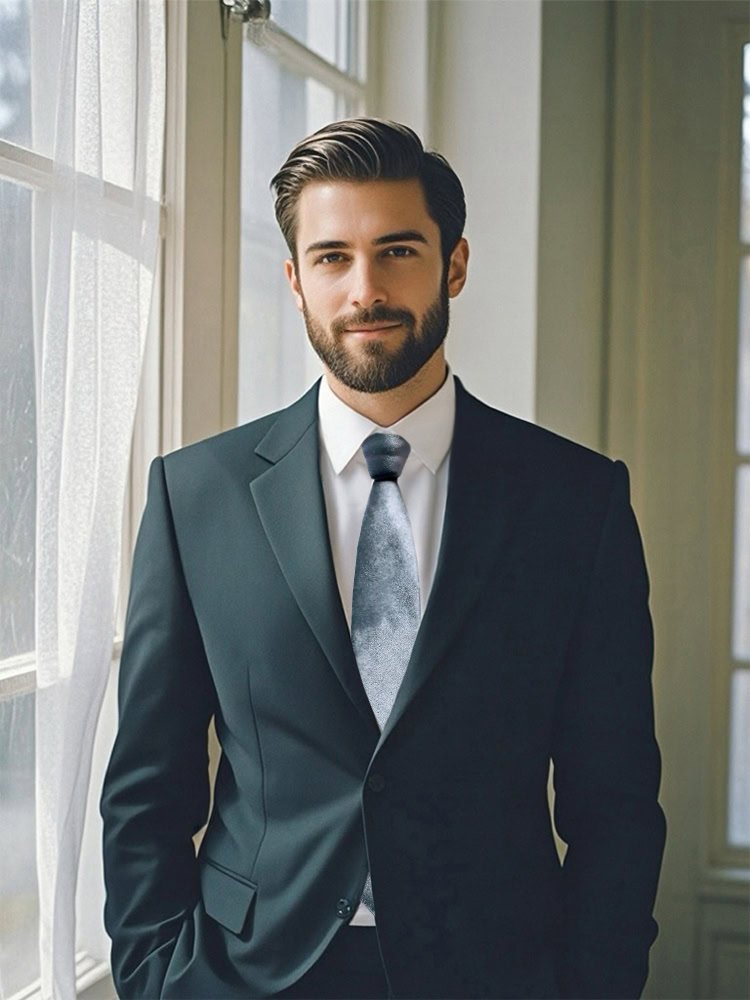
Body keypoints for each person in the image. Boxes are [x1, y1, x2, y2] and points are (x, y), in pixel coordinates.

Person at [100, 119, 666, 1000]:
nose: (365, 289)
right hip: (244, 974)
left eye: (398, 250)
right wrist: (153, 977)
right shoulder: (194, 496)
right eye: (331, 257)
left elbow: (617, 801)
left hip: (500, 972)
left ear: (456, 264)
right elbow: (146, 789)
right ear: (294, 281)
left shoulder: (576, 502)